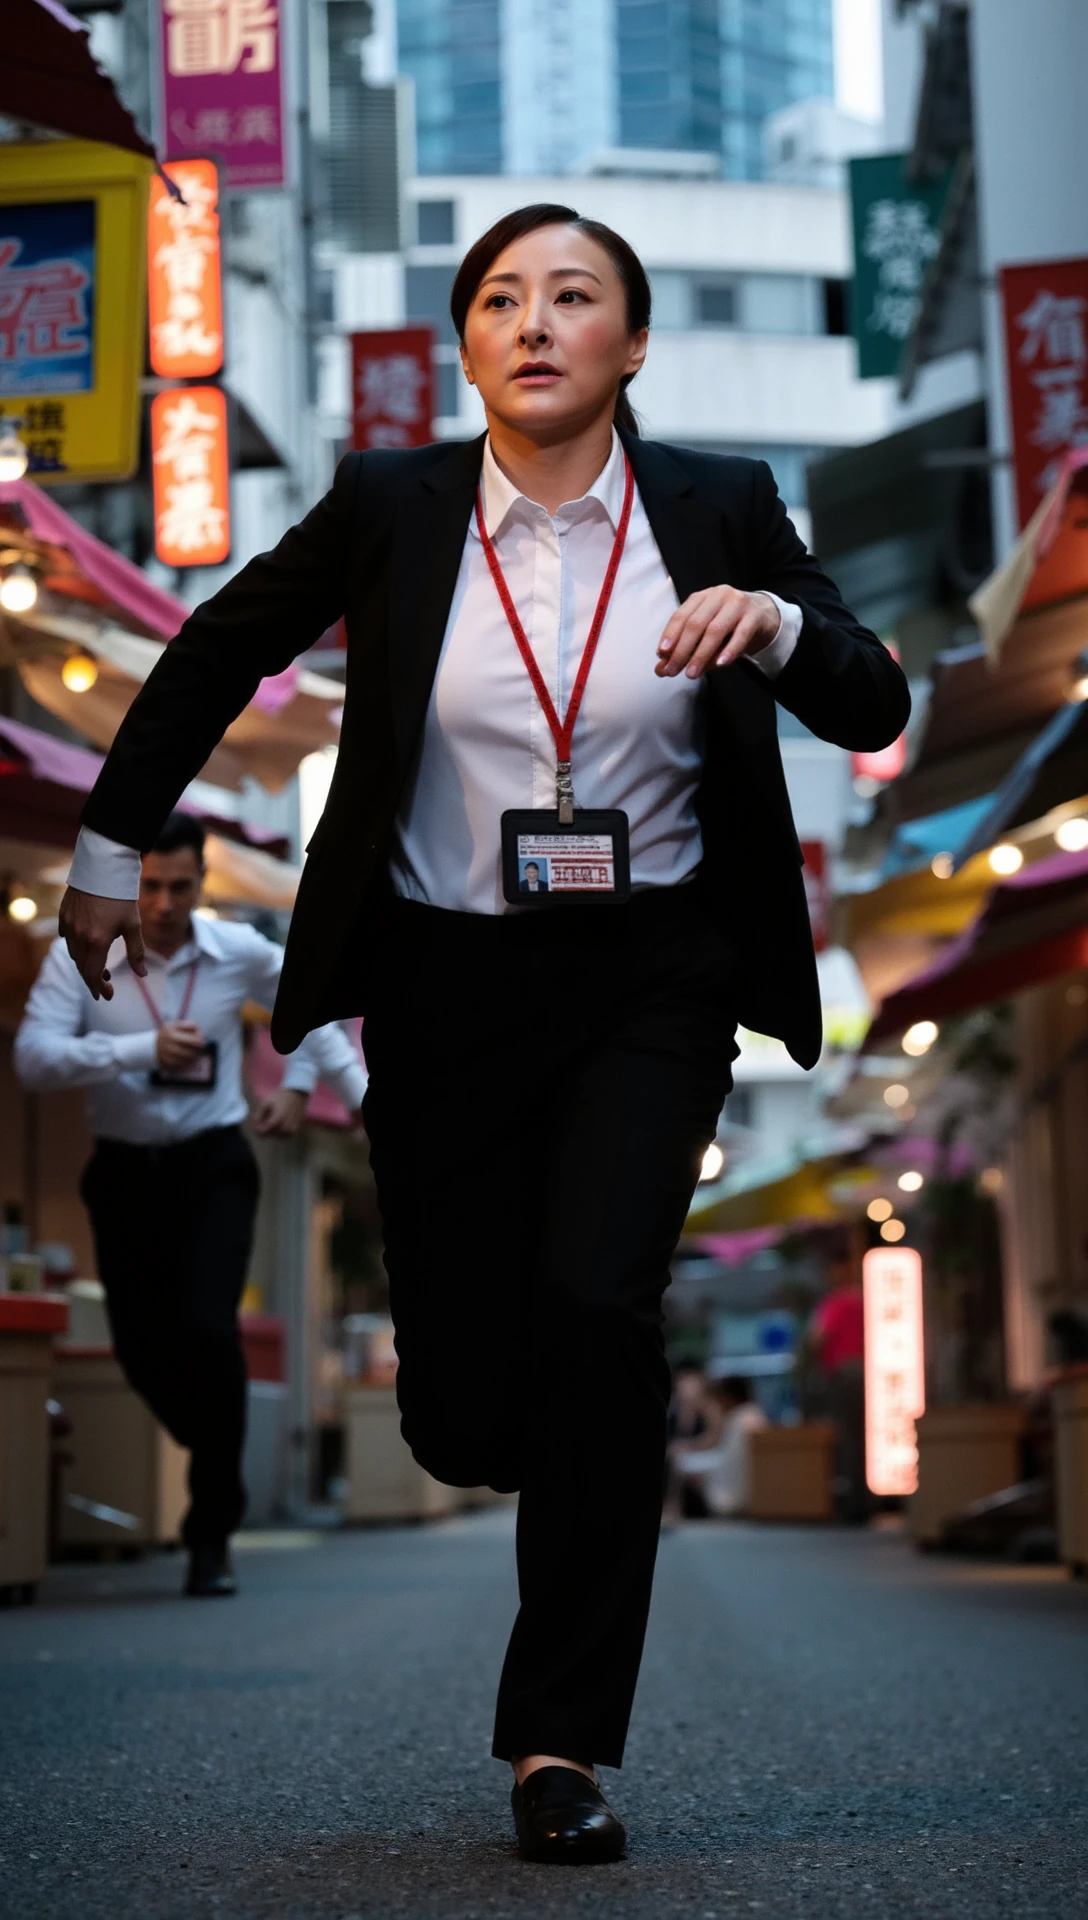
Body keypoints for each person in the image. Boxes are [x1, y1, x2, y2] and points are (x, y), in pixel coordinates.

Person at [55, 204, 908, 1860]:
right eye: (499, 298)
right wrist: (106, 846)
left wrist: (778, 624)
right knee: (459, 1403)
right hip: (444, 980)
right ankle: (531, 1428)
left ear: (629, 344)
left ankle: (559, 1745)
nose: (533, 321)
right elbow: (221, 649)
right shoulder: (391, 504)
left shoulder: (720, 503)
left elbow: (869, 699)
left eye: (573, 297)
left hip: (648, 982)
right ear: (464, 344)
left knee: (599, 1310)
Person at [15, 813, 366, 1597]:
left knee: (210, 1333)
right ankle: (215, 1447)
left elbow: (314, 1007)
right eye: (149, 887)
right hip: (123, 1174)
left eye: (181, 885)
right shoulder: (80, 954)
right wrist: (137, 1050)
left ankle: (212, 1536)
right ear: (125, 884)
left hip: (214, 1167)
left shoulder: (237, 953)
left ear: (203, 883)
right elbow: (34, 1060)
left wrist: (321, 1089)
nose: (166, 903)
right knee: (142, 1350)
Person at [809, 1245, 868, 1524]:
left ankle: (854, 1504)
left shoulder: (834, 1303)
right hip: (868, 1371)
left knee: (849, 1439)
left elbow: (818, 1338)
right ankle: (866, 1500)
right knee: (866, 1438)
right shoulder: (862, 1300)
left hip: (844, 1373)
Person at [672, 1375, 767, 1517]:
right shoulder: (751, 1414)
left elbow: (730, 1460)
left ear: (728, 1397)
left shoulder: (740, 1419)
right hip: (739, 1480)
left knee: (684, 1467)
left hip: (735, 1491)